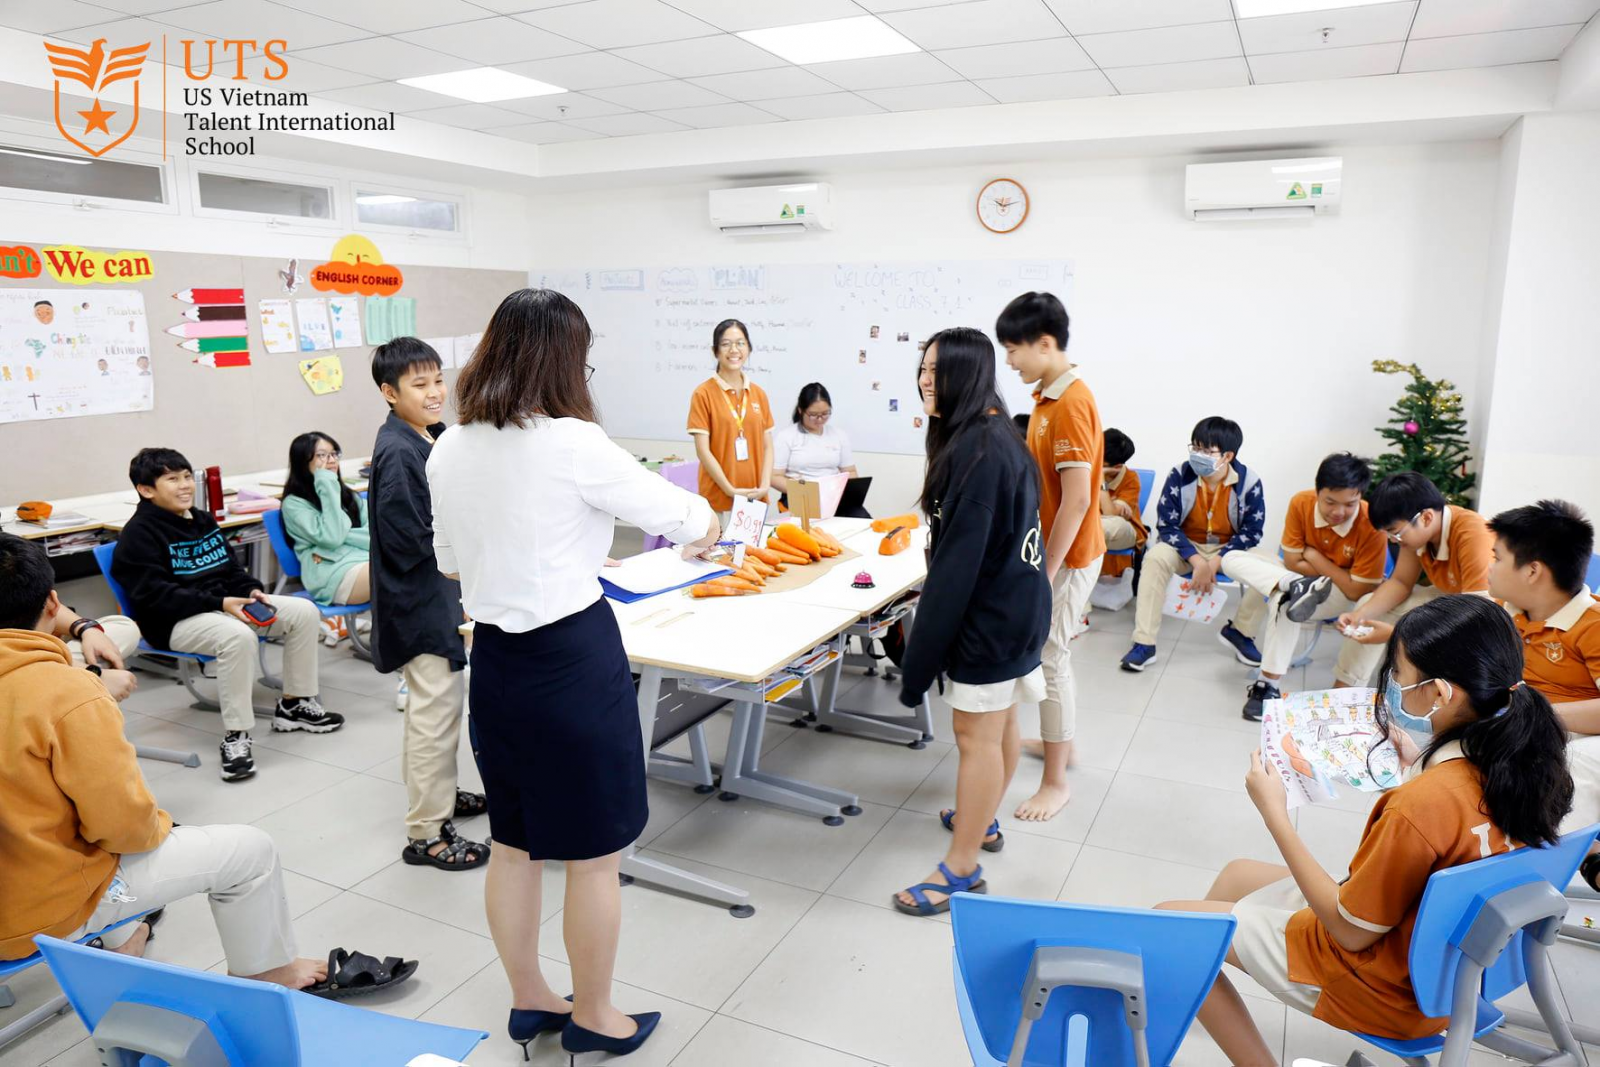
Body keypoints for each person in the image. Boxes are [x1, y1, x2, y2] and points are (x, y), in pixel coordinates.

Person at [427, 288, 721, 1062]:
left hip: (495, 661)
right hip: (570, 661)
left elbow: (450, 562)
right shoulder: (574, 441)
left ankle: (530, 997)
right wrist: (705, 526)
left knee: (512, 843)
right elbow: (692, 518)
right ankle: (594, 1014)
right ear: (566, 360)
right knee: (592, 855)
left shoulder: (448, 447)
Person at [1158, 594, 1573, 1064]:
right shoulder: (1534, 766)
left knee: (1172, 925)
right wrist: (1419, 762)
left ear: (1440, 694)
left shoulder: (1422, 804)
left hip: (1383, 984)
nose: (1392, 683)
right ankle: (1200, 982)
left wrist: (1274, 813)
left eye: (1398, 673)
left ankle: (1218, 1003)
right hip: (1454, 970)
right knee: (1237, 875)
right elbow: (1454, 826)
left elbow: (1349, 931)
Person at [0, 533, 413, 997]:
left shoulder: (62, 687)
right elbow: (126, 831)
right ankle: (270, 974)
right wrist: (158, 822)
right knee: (249, 852)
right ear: (53, 603)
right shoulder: (69, 694)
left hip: (19, 873)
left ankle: (125, 938)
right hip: (34, 911)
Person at [893, 327, 1050, 914]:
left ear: (971, 373)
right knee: (999, 720)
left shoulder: (979, 453)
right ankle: (979, 820)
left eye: (938, 371)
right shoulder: (991, 433)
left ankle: (960, 869)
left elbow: (955, 573)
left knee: (973, 736)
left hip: (994, 616)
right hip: (1018, 604)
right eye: (923, 368)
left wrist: (917, 663)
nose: (925, 381)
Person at [113, 448, 342, 781]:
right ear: (146, 490)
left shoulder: (201, 520)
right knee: (238, 637)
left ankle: (294, 704)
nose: (185, 486)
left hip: (222, 605)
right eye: (172, 479)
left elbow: (232, 570)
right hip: (172, 621)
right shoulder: (137, 535)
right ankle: (237, 735)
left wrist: (251, 591)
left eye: (187, 476)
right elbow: (158, 597)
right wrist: (221, 603)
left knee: (304, 611)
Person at [367, 338, 488, 873]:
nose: (435, 392)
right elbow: (412, 540)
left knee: (438, 709)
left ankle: (440, 796)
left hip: (437, 596)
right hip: (419, 603)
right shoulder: (398, 452)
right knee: (433, 714)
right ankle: (427, 833)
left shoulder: (429, 436)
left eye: (438, 379)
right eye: (420, 384)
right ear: (389, 392)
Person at [998, 291, 1103, 821]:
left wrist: (1048, 569)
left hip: (1070, 555)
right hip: (1049, 550)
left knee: (1052, 657)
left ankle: (1056, 783)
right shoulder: (1045, 397)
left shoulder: (1072, 402)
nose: (1009, 361)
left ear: (1045, 343)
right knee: (1046, 654)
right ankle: (1060, 741)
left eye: (1013, 349)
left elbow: (1079, 499)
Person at [1221, 453, 1390, 720]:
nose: (1339, 512)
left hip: (1337, 593)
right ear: (1318, 491)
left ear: (1360, 496)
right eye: (1330, 502)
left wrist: (1312, 556)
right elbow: (1291, 561)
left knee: (1286, 600)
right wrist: (1327, 572)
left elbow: (1356, 590)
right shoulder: (1301, 502)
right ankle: (1294, 585)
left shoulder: (1371, 522)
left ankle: (1268, 686)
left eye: (1350, 504)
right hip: (1295, 576)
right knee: (1232, 558)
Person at [1487, 499, 1600, 891]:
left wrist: (1534, 712)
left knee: (1569, 769)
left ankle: (1540, 879)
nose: (1490, 567)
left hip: (1582, 736)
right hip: (1532, 726)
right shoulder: (1510, 612)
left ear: (1532, 571)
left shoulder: (1592, 625)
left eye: (1497, 558)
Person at [1120, 417, 1266, 672]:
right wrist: (1198, 562)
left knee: (1268, 566)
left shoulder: (1249, 482)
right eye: (1195, 448)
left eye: (1207, 451)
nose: (1198, 455)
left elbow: (1252, 531)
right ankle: (1144, 643)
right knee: (1155, 558)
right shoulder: (1180, 474)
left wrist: (1216, 561)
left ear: (1227, 456)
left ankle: (1240, 632)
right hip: (1185, 546)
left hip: (1228, 549)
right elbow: (1167, 525)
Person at [1334, 471, 1495, 684]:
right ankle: (1344, 690)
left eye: (1395, 532)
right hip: (1453, 599)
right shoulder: (1420, 534)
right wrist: (1359, 615)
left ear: (1426, 517)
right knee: (1367, 604)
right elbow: (1400, 582)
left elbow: (1478, 618)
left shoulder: (1474, 536)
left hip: (1482, 616)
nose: (1393, 540)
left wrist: (1396, 634)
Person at [281, 431, 370, 645]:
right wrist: (327, 484)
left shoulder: (350, 496)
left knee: (420, 567)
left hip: (364, 563)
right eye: (322, 455)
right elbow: (332, 537)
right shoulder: (294, 504)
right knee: (395, 571)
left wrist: (344, 534)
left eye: (334, 454)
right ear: (303, 462)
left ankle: (421, 646)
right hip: (331, 574)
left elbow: (374, 536)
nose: (331, 460)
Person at [687, 318, 775, 516]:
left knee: (755, 539)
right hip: (718, 498)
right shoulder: (703, 393)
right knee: (720, 538)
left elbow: (768, 446)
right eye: (726, 344)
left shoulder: (758, 394)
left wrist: (765, 485)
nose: (734, 350)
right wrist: (730, 490)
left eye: (740, 343)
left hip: (754, 496)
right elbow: (703, 451)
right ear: (715, 351)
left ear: (749, 348)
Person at [770, 382, 865, 517]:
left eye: (825, 414)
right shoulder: (786, 436)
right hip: (801, 496)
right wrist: (805, 490)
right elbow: (773, 477)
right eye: (813, 415)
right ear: (801, 410)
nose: (820, 419)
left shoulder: (838, 435)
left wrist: (846, 492)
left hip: (833, 497)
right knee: (814, 525)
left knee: (862, 519)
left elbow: (850, 471)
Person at [1098, 428, 1146, 582]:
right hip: (1093, 529)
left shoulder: (1130, 479)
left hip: (1124, 531)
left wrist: (1100, 480)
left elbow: (1109, 513)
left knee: (1112, 524)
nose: (1094, 462)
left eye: (1100, 462)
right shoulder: (1084, 469)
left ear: (1117, 467)